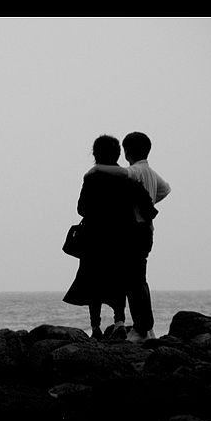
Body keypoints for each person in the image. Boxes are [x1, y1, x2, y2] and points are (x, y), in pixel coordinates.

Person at [63, 135, 158, 340]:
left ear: (95, 154)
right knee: (119, 279)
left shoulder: (91, 178)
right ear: (118, 154)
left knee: (93, 279)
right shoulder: (127, 177)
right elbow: (148, 205)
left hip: (94, 237)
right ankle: (119, 322)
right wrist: (145, 222)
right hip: (122, 236)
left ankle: (96, 327)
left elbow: (81, 208)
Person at [84, 131, 171, 343]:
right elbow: (165, 189)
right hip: (147, 231)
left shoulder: (134, 172)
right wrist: (151, 201)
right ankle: (147, 329)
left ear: (127, 152)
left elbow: (118, 172)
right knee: (139, 280)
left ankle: (141, 330)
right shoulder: (150, 172)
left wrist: (95, 169)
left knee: (133, 282)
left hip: (135, 230)